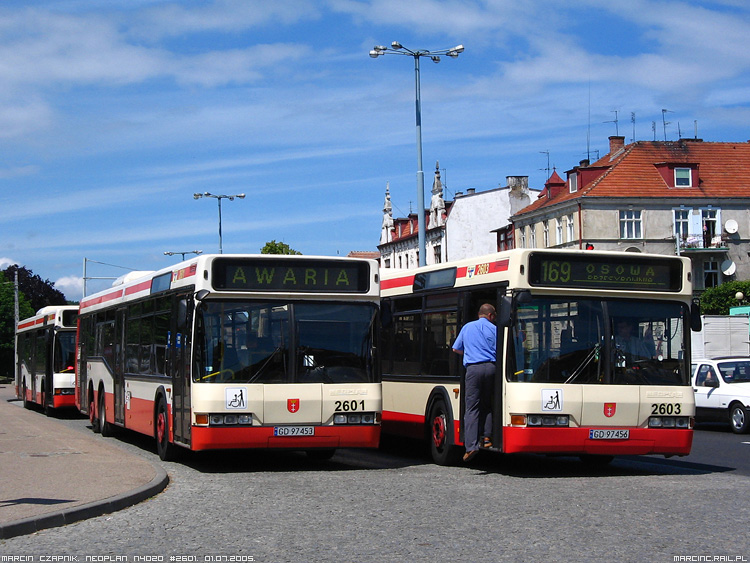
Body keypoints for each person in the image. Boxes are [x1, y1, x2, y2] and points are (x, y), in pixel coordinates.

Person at [452, 303, 497, 462]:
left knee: (472, 407)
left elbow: (456, 349)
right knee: (487, 403)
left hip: (473, 369)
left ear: (480, 314)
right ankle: (487, 437)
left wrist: (470, 352)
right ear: (491, 316)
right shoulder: (495, 329)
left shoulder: (467, 327)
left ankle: (471, 446)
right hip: (491, 368)